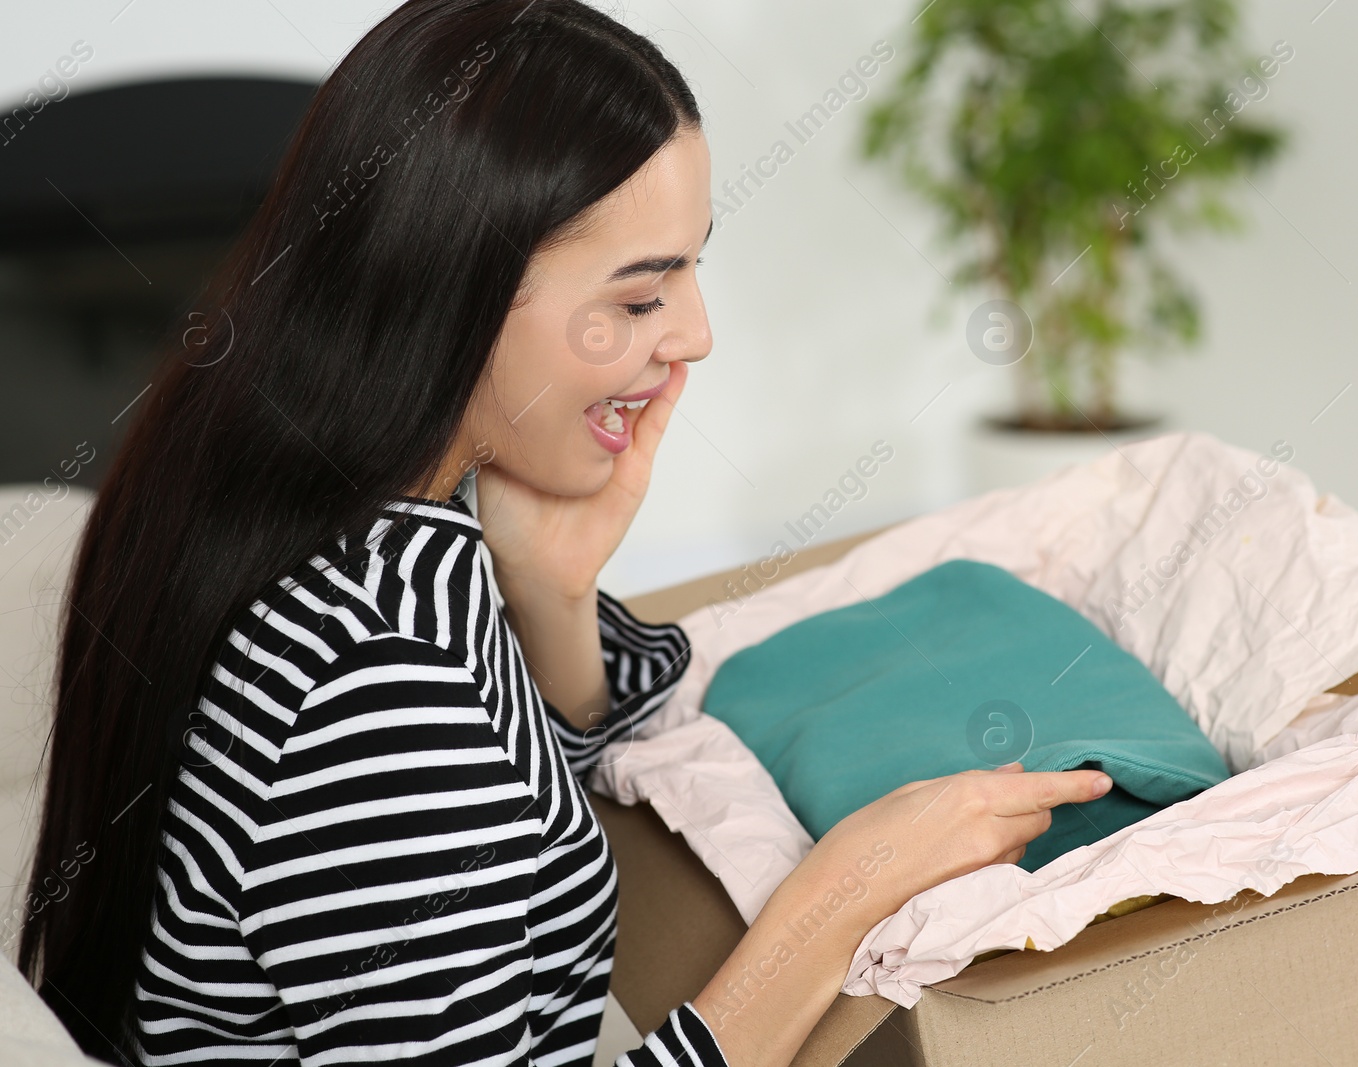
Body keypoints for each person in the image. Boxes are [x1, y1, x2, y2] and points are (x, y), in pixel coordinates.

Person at [18, 2, 1113, 1064]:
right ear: (453, 295)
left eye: (692, 264)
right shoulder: (376, 687)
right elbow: (434, 778)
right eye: (639, 298)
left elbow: (508, 820)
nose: (694, 334)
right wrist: (841, 893)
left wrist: (550, 596)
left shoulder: (322, 496)